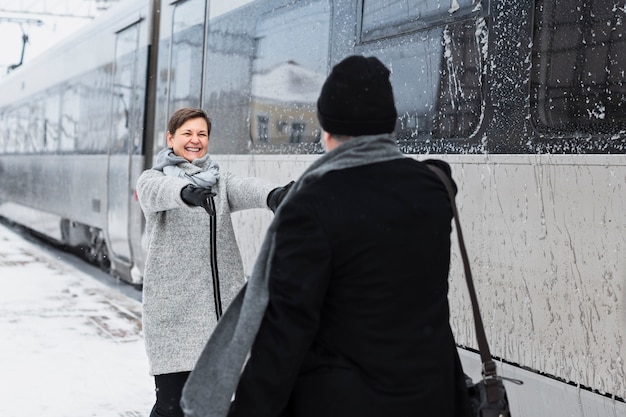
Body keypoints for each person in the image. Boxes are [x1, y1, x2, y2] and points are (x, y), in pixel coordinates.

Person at [181, 56, 471, 417]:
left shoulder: (311, 206)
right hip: (430, 396)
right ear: (388, 126)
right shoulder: (432, 189)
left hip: (343, 402)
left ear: (327, 130)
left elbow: (283, 337)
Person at [136, 107, 293, 417]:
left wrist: (273, 196)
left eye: (202, 134)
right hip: (175, 317)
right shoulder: (152, 179)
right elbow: (158, 192)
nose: (195, 140)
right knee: (172, 408)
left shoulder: (219, 181)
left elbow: (245, 187)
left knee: (218, 406)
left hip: (219, 317)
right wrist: (187, 193)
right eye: (187, 133)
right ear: (171, 138)